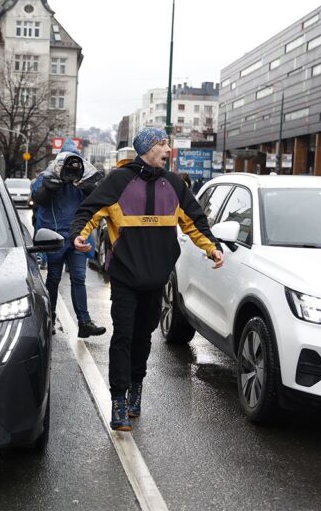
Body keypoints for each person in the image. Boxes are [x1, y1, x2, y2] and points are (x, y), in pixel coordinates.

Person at [70, 127, 224, 431]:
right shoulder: (119, 180)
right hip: (125, 277)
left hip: (156, 279)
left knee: (143, 337)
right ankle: (118, 400)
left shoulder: (175, 185)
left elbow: (195, 221)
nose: (168, 148)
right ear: (148, 148)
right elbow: (90, 211)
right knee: (123, 336)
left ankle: (136, 388)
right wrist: (79, 236)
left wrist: (213, 249)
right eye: (163, 143)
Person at [32, 139, 107, 339]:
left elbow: (96, 200)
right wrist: (50, 186)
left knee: (78, 278)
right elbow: (38, 199)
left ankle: (84, 322)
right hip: (56, 237)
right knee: (54, 278)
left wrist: (87, 185)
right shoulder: (47, 177)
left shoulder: (83, 180)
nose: (72, 168)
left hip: (77, 237)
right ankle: (50, 317)